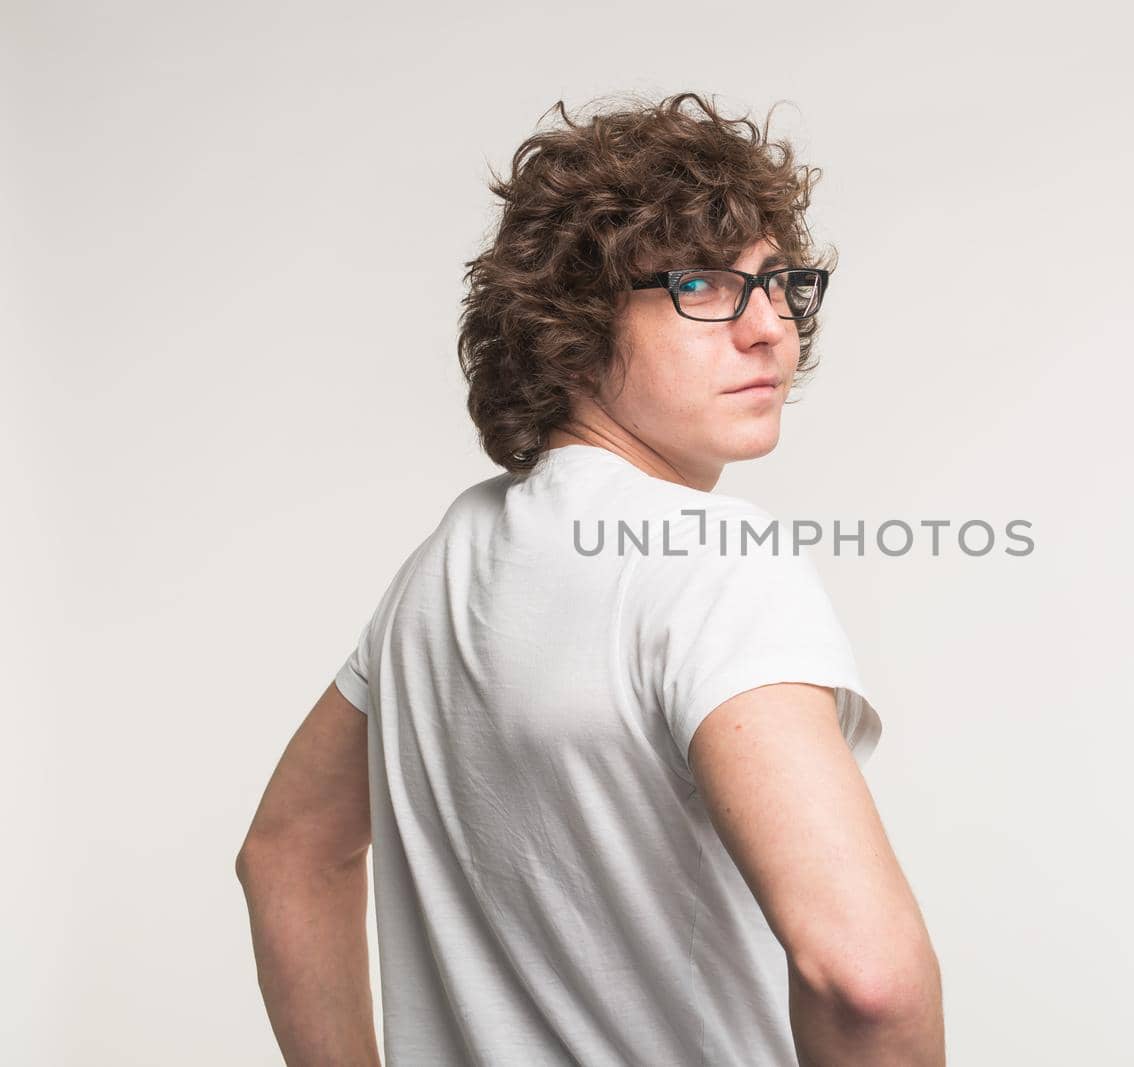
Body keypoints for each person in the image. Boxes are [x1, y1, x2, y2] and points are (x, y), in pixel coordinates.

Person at [235, 90, 944, 1066]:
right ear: (573, 317)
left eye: (777, 282)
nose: (768, 328)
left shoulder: (443, 565)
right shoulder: (711, 560)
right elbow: (866, 979)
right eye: (702, 285)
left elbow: (285, 852)